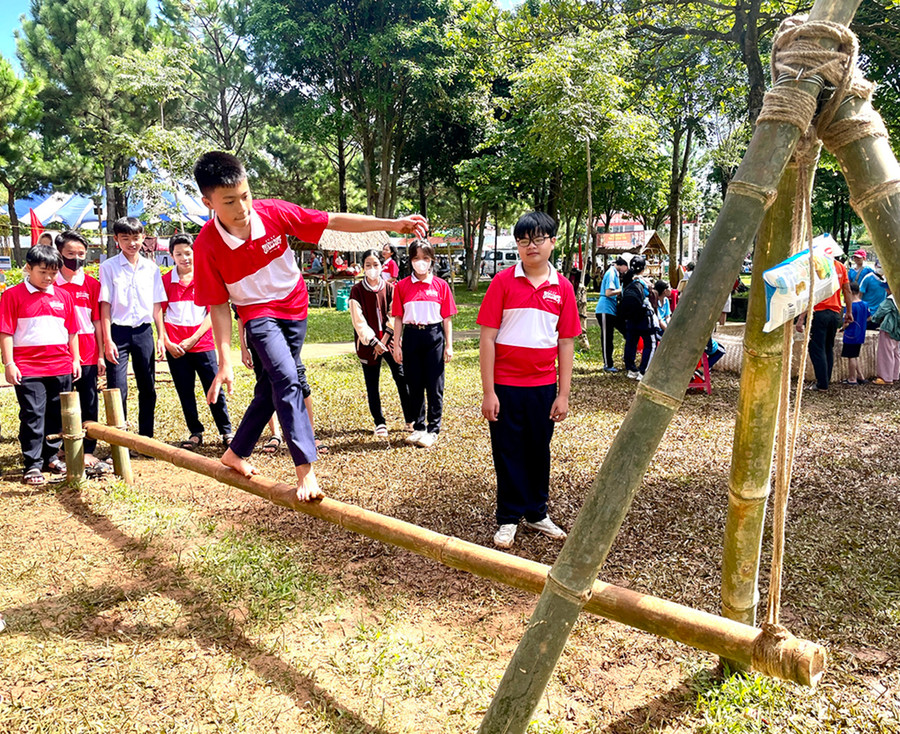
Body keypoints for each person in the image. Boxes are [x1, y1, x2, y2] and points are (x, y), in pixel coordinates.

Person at [192, 151, 427, 502]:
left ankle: (236, 452)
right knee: (288, 379)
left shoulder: (273, 212)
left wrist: (390, 223)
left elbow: (334, 222)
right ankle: (306, 470)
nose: (242, 207)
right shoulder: (206, 245)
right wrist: (224, 358)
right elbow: (218, 305)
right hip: (257, 314)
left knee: (271, 386)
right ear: (207, 201)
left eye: (246, 196)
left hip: (295, 307)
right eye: (230, 201)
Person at [478, 211, 580, 549]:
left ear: (552, 242)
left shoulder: (562, 288)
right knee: (507, 451)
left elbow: (566, 342)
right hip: (505, 387)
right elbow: (487, 338)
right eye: (524, 240)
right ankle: (508, 517)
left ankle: (537, 512)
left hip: (541, 388)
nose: (530, 246)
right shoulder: (503, 283)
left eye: (538, 239)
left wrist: (563, 393)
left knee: (538, 450)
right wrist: (489, 391)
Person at [0, 245, 80, 485]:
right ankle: (32, 464)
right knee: (33, 414)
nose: (48, 278)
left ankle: (51, 456)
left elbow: (72, 331)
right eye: (43, 272)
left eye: (53, 273)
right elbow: (5, 331)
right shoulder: (12, 295)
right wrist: (9, 363)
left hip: (60, 365)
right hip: (28, 368)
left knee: (57, 414)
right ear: (28, 268)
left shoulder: (63, 296)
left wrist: (75, 359)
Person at [161, 234, 233, 450]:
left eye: (188, 253)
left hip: (202, 344)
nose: (184, 258)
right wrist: (167, 342)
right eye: (179, 254)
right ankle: (195, 431)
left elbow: (213, 314)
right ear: (171, 255)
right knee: (185, 390)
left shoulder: (206, 277)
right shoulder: (165, 281)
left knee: (214, 387)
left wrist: (193, 339)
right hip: (176, 348)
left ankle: (226, 431)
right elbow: (159, 314)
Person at [99, 217, 167, 437]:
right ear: (117, 239)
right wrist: (107, 340)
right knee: (118, 388)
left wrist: (160, 336)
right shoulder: (108, 267)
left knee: (147, 386)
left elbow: (157, 304)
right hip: (118, 333)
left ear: (143, 237)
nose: (131, 243)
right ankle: (121, 440)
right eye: (125, 238)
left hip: (144, 331)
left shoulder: (151, 269)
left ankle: (146, 438)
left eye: (136, 238)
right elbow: (106, 306)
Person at [391, 240, 457, 448]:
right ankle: (418, 427)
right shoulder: (401, 286)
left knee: (434, 384)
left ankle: (433, 428)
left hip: (434, 336)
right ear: (410, 260)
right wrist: (397, 344)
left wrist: (449, 345)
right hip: (411, 336)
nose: (421, 263)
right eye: (416, 258)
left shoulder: (441, 285)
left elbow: (447, 318)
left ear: (432, 261)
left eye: (425, 258)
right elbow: (399, 318)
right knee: (414, 383)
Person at [54, 230, 109, 473]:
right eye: (70, 254)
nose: (75, 258)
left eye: (81, 254)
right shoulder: (49, 282)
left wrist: (100, 354)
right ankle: (59, 449)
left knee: (89, 401)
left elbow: (97, 321)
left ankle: (88, 449)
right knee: (59, 401)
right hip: (58, 352)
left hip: (87, 351)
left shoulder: (92, 285)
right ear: (59, 254)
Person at [349, 250, 414, 436]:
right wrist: (373, 342)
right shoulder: (357, 291)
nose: (372, 269)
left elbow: (394, 315)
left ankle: (410, 419)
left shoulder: (390, 288)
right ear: (363, 267)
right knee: (372, 383)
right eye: (368, 265)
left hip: (390, 341)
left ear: (381, 266)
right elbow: (358, 320)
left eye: (375, 265)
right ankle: (379, 422)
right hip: (368, 344)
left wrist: (385, 339)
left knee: (401, 378)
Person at [796, 249, 852, 392]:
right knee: (828, 347)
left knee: (816, 348)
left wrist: (801, 318)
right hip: (835, 313)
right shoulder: (840, 266)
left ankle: (822, 384)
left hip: (819, 312)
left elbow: (809, 293)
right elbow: (847, 290)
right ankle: (825, 381)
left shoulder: (816, 265)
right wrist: (849, 312)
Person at [619, 257, 657, 381]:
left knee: (631, 341)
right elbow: (651, 289)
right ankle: (643, 371)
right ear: (644, 268)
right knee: (650, 343)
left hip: (630, 317)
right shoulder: (642, 281)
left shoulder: (625, 280)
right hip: (643, 316)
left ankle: (631, 369)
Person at [594, 256, 628, 372]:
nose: (626, 270)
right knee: (607, 337)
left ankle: (626, 358)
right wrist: (624, 289)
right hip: (605, 309)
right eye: (626, 267)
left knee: (627, 331)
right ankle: (607, 364)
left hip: (612, 310)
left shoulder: (616, 274)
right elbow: (608, 293)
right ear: (622, 265)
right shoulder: (611, 273)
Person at [840, 282, 869, 386]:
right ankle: (860, 376)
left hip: (850, 335)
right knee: (855, 355)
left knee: (851, 357)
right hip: (860, 334)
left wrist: (842, 328)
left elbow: (846, 322)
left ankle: (852, 378)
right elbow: (869, 317)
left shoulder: (850, 306)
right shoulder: (865, 304)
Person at [870, 288, 900, 385]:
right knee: (896, 353)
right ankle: (895, 375)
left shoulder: (891, 300)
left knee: (886, 353)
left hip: (889, 328)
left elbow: (880, 312)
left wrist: (874, 319)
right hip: (898, 329)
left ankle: (885, 378)